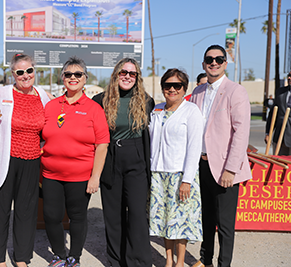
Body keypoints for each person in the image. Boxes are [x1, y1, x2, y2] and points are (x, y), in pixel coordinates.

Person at [41, 56, 110, 267]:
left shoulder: (94, 109)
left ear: (85, 79)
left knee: (77, 218)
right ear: (62, 78)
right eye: (68, 74)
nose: (73, 77)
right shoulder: (51, 106)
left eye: (78, 74)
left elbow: (102, 145)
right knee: (51, 217)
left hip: (80, 176)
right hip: (50, 174)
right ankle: (59, 255)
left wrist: (95, 177)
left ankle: (74, 257)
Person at [0, 54, 52, 267]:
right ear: (13, 74)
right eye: (20, 72)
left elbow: (55, 125)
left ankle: (22, 257)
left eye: (29, 71)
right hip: (6, 159)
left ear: (35, 71)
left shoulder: (44, 96)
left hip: (32, 161)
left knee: (26, 212)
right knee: (0, 210)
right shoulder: (0, 93)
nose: (25, 76)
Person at [190, 45, 251, 267]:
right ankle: (205, 259)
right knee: (206, 218)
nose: (213, 62)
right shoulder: (197, 92)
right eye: (209, 59)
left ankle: (224, 264)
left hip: (225, 168)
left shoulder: (236, 91)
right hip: (201, 166)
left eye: (218, 59)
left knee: (224, 224)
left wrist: (231, 169)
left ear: (225, 63)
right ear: (204, 64)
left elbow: (241, 133)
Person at [92, 58, 154, 267]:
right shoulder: (99, 100)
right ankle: (116, 260)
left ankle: (138, 261)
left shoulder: (146, 101)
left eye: (132, 73)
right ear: (116, 74)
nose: (128, 76)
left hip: (136, 160)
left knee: (137, 213)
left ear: (137, 78)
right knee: (113, 214)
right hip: (110, 159)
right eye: (123, 72)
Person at [149, 68, 203, 267]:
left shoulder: (191, 111)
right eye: (167, 85)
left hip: (180, 175)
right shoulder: (157, 109)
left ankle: (180, 262)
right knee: (164, 220)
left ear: (184, 88)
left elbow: (194, 147)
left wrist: (186, 180)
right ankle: (169, 260)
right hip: (158, 174)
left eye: (177, 85)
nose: (172, 89)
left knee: (180, 221)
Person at [265, 70, 291, 155]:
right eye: (289, 75)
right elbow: (273, 114)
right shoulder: (280, 92)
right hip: (280, 138)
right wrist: (268, 133)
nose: (289, 78)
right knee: (278, 165)